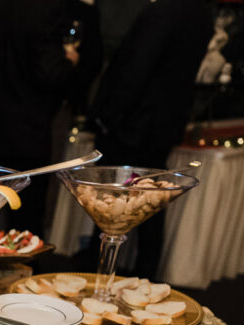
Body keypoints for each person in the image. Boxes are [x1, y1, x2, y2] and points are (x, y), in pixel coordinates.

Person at [89, 0, 212, 279]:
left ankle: (101, 275)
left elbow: (135, 67)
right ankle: (145, 275)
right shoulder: (202, 11)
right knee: (152, 199)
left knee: (113, 201)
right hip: (163, 124)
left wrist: (107, 116)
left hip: (135, 124)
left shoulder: (166, 10)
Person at [0, 0, 77, 236]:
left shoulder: (1, 6)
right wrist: (69, 62)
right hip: (27, 132)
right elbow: (49, 73)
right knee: (27, 223)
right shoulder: (47, 9)